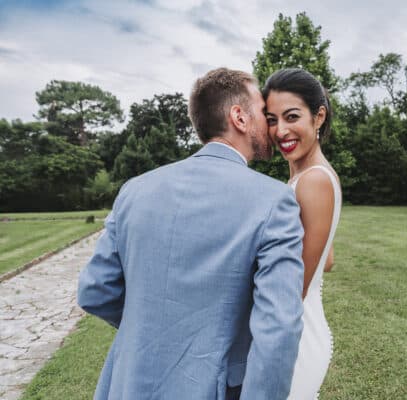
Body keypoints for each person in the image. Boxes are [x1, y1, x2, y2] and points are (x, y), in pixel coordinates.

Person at [77, 68, 305, 400]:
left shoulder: (133, 191)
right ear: (239, 117)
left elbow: (95, 291)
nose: (270, 126)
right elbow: (279, 329)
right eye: (262, 112)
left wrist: (152, 326)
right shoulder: (274, 201)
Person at [263, 68, 342, 400]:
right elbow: (328, 260)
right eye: (271, 119)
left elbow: (292, 290)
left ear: (318, 116)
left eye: (292, 116)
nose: (280, 130)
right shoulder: (305, 178)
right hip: (298, 332)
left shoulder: (313, 181)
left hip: (294, 342)